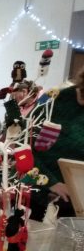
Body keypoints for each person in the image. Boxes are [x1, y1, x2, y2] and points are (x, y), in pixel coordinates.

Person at [30, 66, 84, 220]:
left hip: (76, 203)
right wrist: (51, 183)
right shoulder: (53, 99)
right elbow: (22, 146)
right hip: (39, 196)